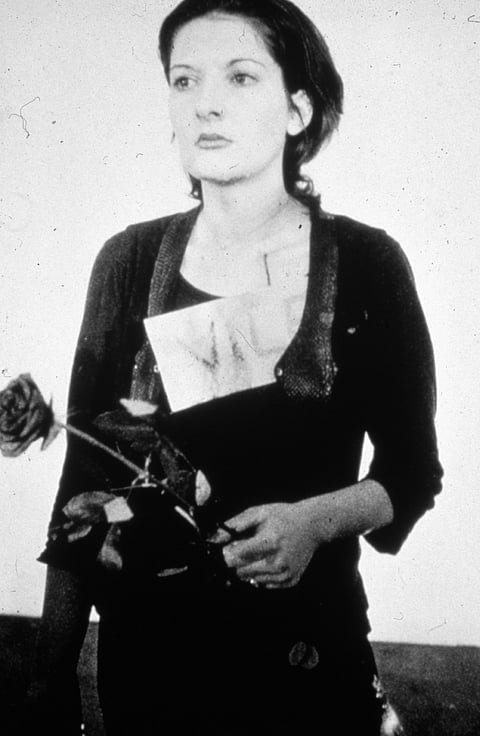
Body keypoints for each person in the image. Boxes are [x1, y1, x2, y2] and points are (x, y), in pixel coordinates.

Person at [21, 0, 443, 734]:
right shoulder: (127, 262)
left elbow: (412, 472)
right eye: (184, 81)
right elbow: (83, 491)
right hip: (149, 674)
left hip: (306, 664)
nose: (205, 104)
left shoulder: (367, 264)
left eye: (240, 77)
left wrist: (312, 523)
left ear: (298, 109)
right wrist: (48, 679)